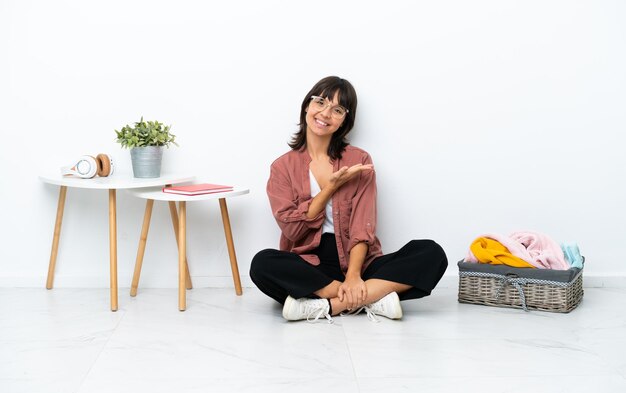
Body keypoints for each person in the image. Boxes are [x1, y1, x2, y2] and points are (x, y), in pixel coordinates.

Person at [250, 76, 448, 323]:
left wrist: (354, 275)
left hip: (360, 263)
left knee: (431, 253)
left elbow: (362, 225)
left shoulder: (360, 160)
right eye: (320, 102)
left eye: (338, 109)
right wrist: (330, 188)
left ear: (345, 119)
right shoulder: (282, 167)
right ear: (306, 106)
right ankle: (373, 298)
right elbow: (291, 229)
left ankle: (327, 306)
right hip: (310, 263)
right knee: (262, 264)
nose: (326, 113)